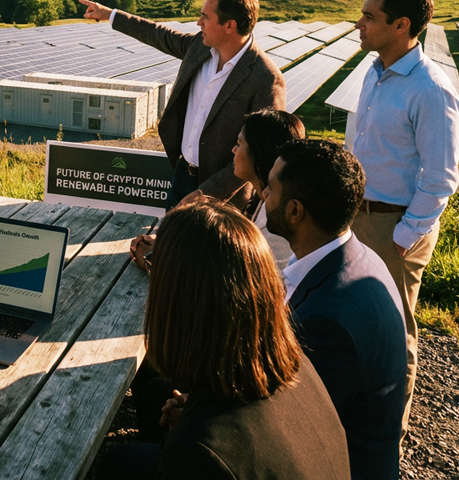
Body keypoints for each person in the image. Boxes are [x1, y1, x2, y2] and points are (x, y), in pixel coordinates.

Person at [107, 199, 350, 480]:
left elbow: (216, 453)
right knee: (155, 394)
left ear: (182, 306)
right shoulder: (295, 362)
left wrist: (195, 429)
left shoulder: (199, 454)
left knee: (119, 462)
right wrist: (194, 409)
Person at [82, 0, 285, 269]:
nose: (198, 22)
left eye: (205, 16)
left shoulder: (265, 78)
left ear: (230, 25)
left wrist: (206, 194)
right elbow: (157, 34)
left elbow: (261, 155)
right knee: (173, 259)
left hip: (225, 195)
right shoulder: (198, 48)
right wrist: (110, 14)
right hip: (183, 176)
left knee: (205, 270)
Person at [350, 0, 459, 439]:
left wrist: (401, 237)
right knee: (355, 320)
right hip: (358, 217)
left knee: (395, 334)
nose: (359, 23)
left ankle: (383, 440)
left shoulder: (432, 90)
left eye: (370, 17)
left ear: (401, 25)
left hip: (392, 224)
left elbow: (440, 179)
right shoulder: (375, 71)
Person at [263, 139, 407, 480]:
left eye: (270, 189)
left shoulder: (328, 321)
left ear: (295, 211)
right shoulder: (356, 258)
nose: (263, 197)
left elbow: (282, 426)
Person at [232, 108, 306, 268]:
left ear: (259, 152)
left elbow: (269, 278)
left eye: (239, 144)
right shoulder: (263, 198)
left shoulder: (278, 222)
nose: (234, 150)